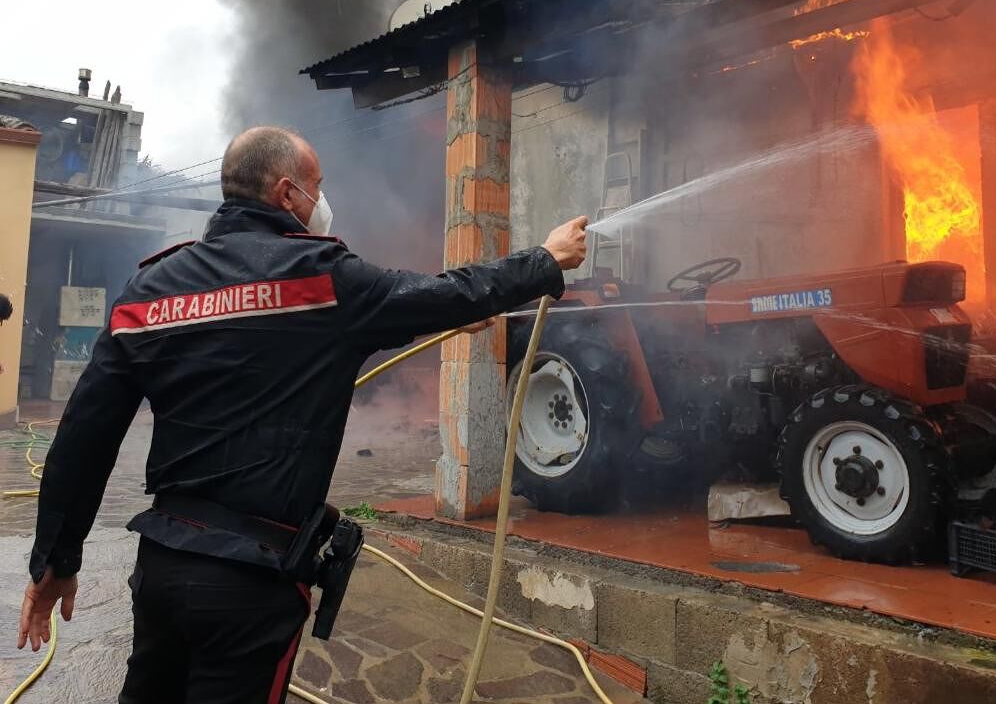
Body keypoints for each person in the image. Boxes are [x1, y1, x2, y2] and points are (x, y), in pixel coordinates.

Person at [18, 126, 587, 704]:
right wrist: (545, 260)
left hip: (162, 567)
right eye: (318, 185)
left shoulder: (149, 289)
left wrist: (55, 562)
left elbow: (83, 437)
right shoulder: (326, 278)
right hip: (251, 584)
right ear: (288, 194)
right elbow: (452, 291)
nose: (324, 200)